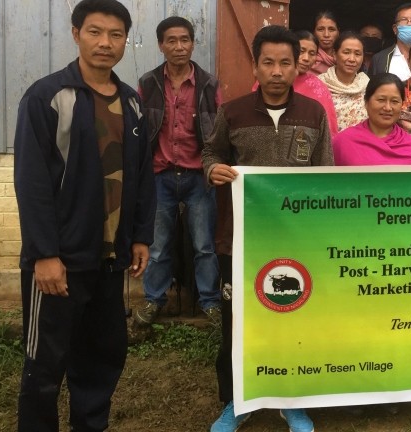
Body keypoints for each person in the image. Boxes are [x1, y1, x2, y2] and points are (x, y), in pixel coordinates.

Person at [13, 0, 155, 430]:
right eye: (95, 32)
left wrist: (140, 236)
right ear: (75, 34)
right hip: (60, 261)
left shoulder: (131, 103)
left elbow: (142, 176)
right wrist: (44, 254)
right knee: (45, 364)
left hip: (108, 262)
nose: (105, 43)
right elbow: (32, 182)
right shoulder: (48, 97)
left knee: (101, 357)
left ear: (126, 41)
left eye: (115, 35)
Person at [203, 25, 333, 432]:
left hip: (296, 240)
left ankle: (290, 401)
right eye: (268, 63)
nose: (277, 71)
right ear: (256, 67)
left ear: (298, 67)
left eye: (285, 63)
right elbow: (211, 151)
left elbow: (324, 174)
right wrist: (212, 169)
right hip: (238, 239)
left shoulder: (314, 114)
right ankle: (236, 402)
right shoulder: (233, 112)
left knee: (293, 317)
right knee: (236, 320)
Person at [135, 16, 222, 327]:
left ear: (193, 43)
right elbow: (140, 130)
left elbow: (218, 130)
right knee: (157, 246)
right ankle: (153, 299)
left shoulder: (210, 84)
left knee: (204, 245)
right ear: (161, 45)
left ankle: (210, 302)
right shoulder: (148, 83)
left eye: (184, 40)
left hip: (199, 176)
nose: (178, 46)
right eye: (171, 40)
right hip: (160, 176)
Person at [252, 30, 339, 137]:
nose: (306, 58)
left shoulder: (319, 88)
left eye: (312, 54)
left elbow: (328, 129)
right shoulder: (269, 81)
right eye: (302, 51)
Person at [333, 73, 411, 165]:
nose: (388, 108)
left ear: (402, 105)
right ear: (366, 102)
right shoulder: (344, 142)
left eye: (394, 101)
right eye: (381, 100)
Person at [319, 32, 370, 131]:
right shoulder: (319, 84)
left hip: (360, 144)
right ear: (334, 54)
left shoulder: (368, 86)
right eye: (346, 52)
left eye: (357, 54)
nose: (352, 59)